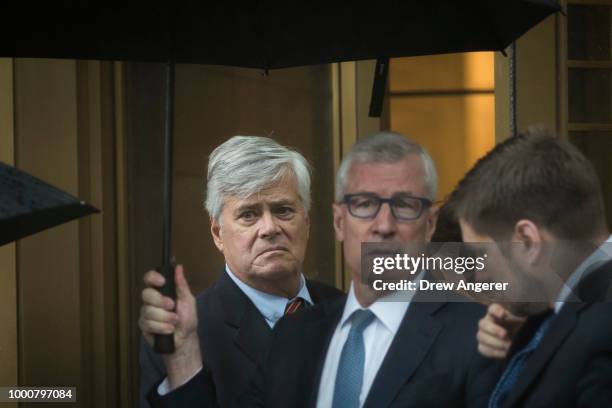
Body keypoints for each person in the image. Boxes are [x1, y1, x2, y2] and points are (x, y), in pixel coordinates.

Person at [154, 132, 500, 407]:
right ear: (338, 222)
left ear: (430, 224)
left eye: (404, 206)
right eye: (364, 205)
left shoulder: (476, 333)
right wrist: (183, 353)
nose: (383, 225)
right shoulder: (296, 336)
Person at [139, 136, 342, 407]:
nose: (269, 228)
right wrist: (183, 360)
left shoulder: (344, 308)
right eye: (248, 215)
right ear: (217, 233)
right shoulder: (183, 336)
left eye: (283, 210)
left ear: (306, 222)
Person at [448, 130, 612, 407]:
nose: (478, 275)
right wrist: (523, 343)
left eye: (481, 253)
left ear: (527, 241)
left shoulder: (600, 335)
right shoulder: (557, 318)